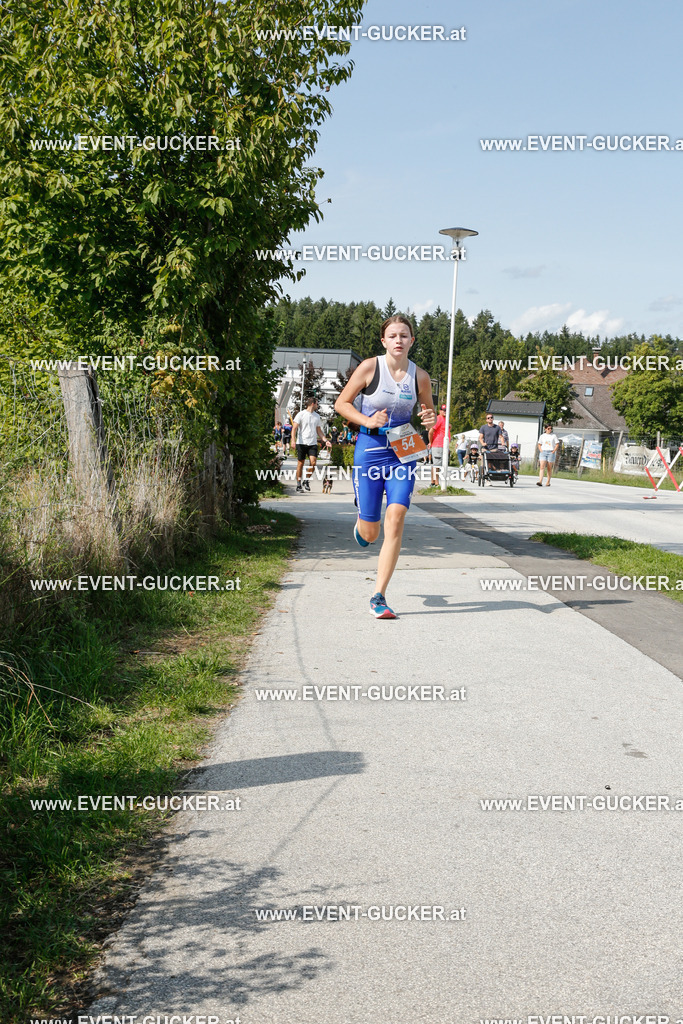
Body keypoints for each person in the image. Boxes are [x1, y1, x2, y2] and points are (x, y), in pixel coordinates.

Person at [334, 314, 435, 619]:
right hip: (370, 446)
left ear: (412, 341)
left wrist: (430, 420)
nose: (398, 340)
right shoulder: (370, 367)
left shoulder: (420, 377)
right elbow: (342, 404)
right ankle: (363, 519)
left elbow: (428, 415)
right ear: (384, 341)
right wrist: (367, 420)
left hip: (404, 445)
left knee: (397, 516)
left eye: (404, 335)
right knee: (371, 534)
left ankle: (378, 596)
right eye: (392, 336)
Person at [292, 398, 327, 492]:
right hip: (301, 442)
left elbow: (318, 430)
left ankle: (306, 480)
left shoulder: (317, 416)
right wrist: (293, 440)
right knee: (300, 463)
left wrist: (325, 440)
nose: (317, 405)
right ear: (312, 404)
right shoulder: (301, 414)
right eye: (317, 403)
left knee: (313, 462)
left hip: (312, 443)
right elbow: (294, 428)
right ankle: (298, 484)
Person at [429, 404, 451, 486]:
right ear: (440, 411)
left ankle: (433, 482)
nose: (445, 412)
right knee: (437, 465)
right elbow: (431, 431)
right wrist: (431, 442)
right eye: (443, 410)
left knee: (436, 464)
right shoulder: (439, 418)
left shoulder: (445, 420)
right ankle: (436, 483)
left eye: (446, 410)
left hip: (443, 445)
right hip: (438, 444)